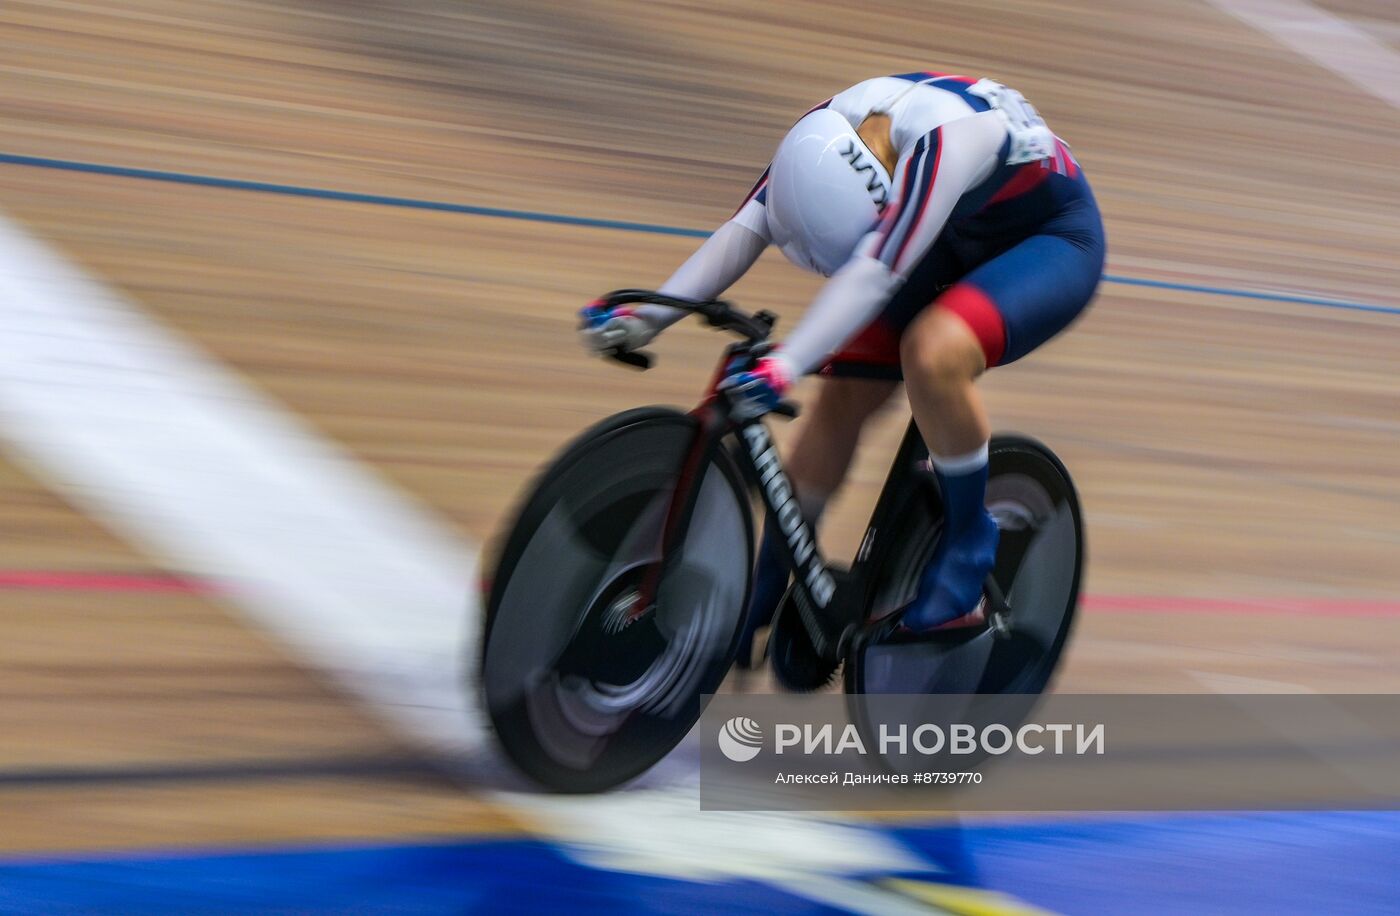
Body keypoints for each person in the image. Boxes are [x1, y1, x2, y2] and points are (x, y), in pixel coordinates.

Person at [579, 71, 1105, 657]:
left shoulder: (950, 143)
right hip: (943, 225)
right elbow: (743, 230)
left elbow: (872, 273)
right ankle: (775, 576)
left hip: (1046, 242)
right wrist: (646, 317)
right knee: (844, 394)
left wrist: (783, 368)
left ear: (879, 210)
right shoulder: (821, 135)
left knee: (933, 352)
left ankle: (969, 540)